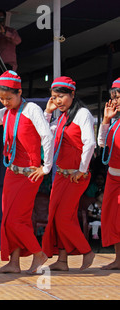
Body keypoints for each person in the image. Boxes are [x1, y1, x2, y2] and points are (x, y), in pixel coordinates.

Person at [0, 70, 53, 274]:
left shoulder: (32, 109)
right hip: (12, 172)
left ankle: (39, 254)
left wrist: (46, 167)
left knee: (15, 220)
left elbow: (47, 136)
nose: (5, 102)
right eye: (1, 99)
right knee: (10, 218)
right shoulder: (5, 112)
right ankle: (14, 262)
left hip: (30, 173)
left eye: (8, 98)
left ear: (19, 92)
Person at [41, 76, 96, 271]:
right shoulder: (61, 117)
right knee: (57, 216)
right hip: (61, 175)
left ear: (72, 94)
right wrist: (47, 113)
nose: (57, 101)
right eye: (54, 97)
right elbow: (44, 135)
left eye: (61, 96)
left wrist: (81, 170)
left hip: (76, 176)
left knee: (63, 217)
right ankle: (62, 260)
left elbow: (90, 143)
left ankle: (87, 251)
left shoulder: (82, 114)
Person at [97, 77, 120, 270]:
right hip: (113, 178)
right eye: (114, 97)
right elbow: (102, 144)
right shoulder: (115, 123)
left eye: (119, 97)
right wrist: (105, 120)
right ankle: (118, 259)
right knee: (112, 218)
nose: (116, 101)